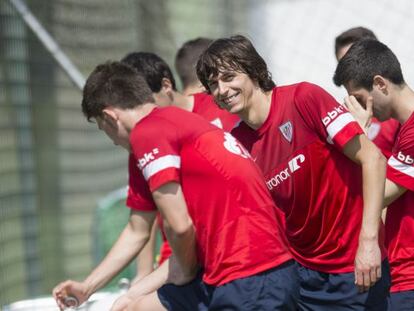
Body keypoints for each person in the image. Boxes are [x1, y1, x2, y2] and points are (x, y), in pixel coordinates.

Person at [53, 61, 298, 311]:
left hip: (250, 276)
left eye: (101, 126)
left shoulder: (148, 133)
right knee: (128, 307)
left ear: (109, 116)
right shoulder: (169, 128)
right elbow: (138, 231)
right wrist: (88, 287)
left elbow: (180, 226)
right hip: (245, 275)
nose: (112, 141)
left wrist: (179, 271)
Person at [196, 35, 390, 310]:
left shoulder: (303, 98)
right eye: (213, 84)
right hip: (302, 277)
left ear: (254, 71)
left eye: (228, 77)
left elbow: (374, 159)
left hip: (355, 268)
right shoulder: (236, 142)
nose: (222, 89)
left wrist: (369, 242)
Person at [334, 39, 414, 310]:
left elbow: (378, 197)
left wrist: (357, 138)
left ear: (380, 84)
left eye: (358, 97)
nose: (359, 107)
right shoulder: (405, 130)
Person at [122, 51, 239, 132]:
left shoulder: (222, 104)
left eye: (144, 102)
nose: (142, 113)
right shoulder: (157, 139)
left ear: (166, 85)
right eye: (133, 107)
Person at [334, 26, 400, 159]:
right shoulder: (339, 120)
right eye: (344, 64)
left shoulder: (399, 114)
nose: (349, 69)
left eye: (356, 60)